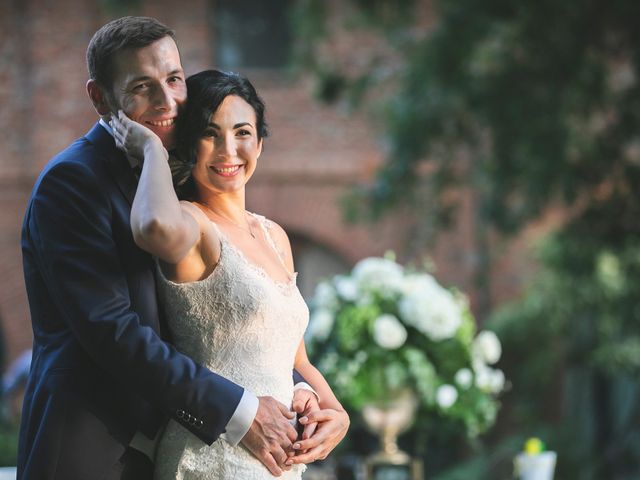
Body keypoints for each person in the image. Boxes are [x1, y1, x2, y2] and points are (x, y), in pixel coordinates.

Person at [18, 16, 332, 479]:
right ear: (99, 97)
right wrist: (239, 413)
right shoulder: (72, 182)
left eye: (174, 79)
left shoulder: (181, 179)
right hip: (94, 449)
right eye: (142, 86)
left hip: (176, 444)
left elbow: (231, 324)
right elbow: (115, 333)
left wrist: (308, 393)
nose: (166, 101)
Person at [109, 69, 349, 479]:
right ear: (188, 144)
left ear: (259, 142)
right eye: (209, 133)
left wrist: (335, 411)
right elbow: (151, 228)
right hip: (213, 454)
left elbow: (295, 357)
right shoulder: (191, 222)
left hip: (278, 462)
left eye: (242, 132)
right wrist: (151, 150)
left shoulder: (275, 235)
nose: (228, 150)